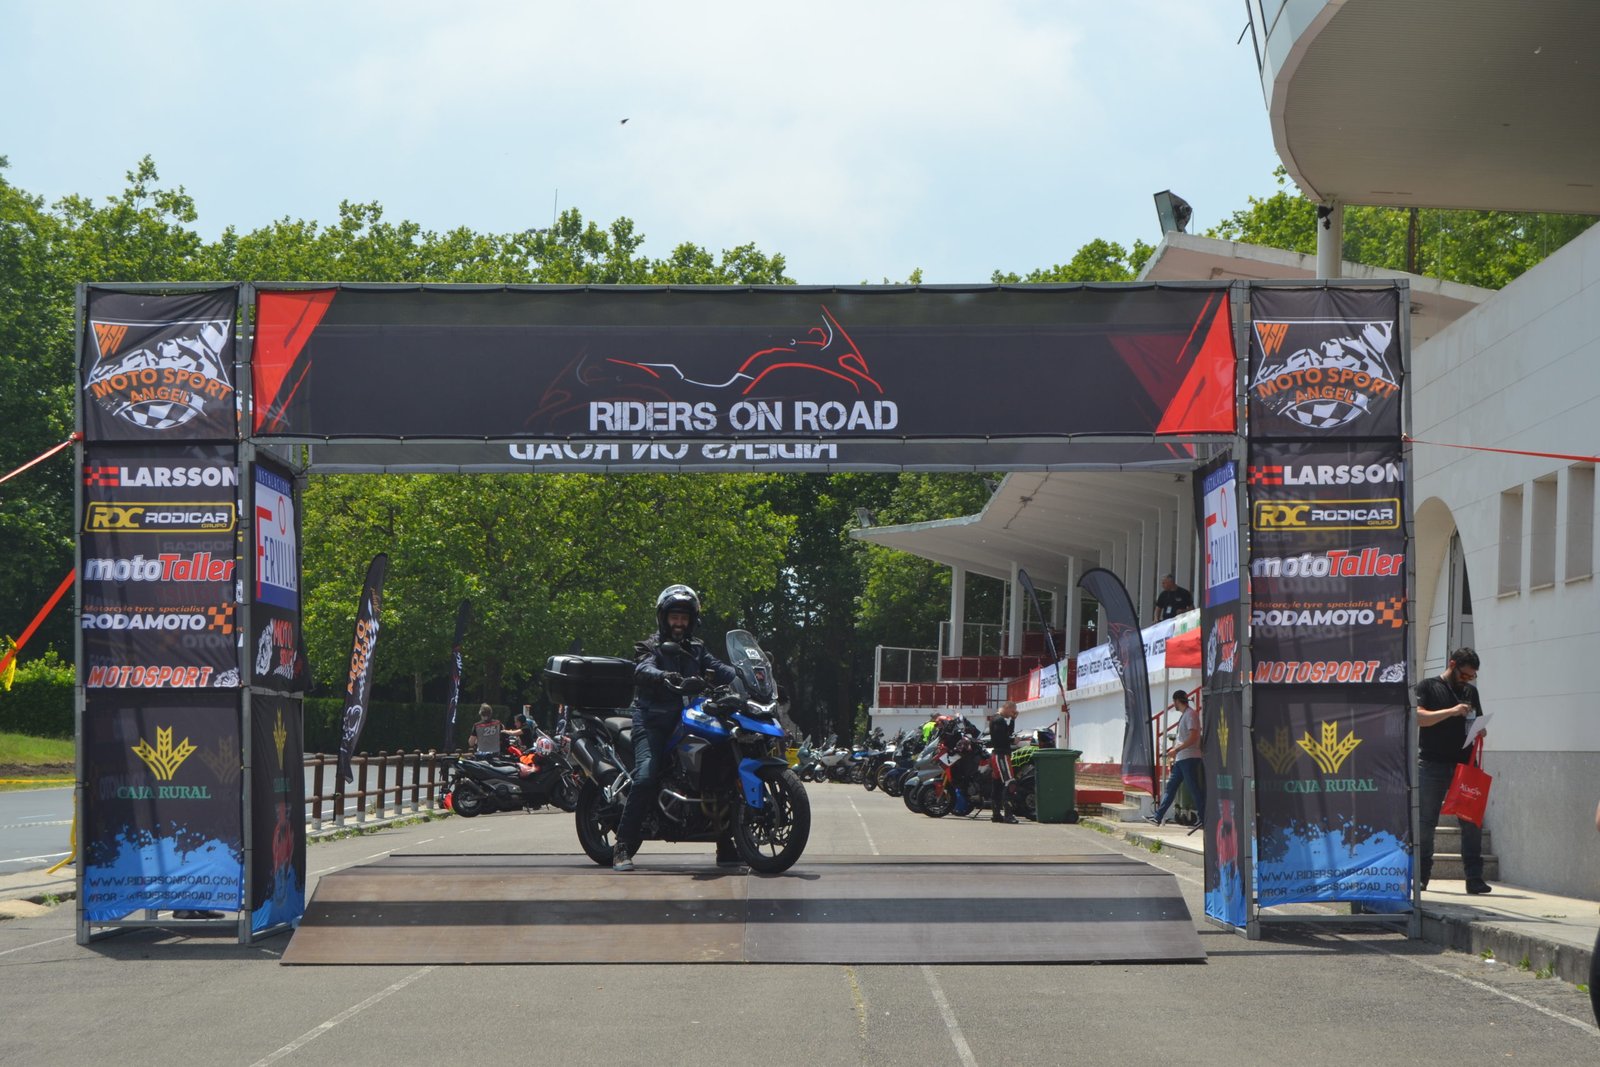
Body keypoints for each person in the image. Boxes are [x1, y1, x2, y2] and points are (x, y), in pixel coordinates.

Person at [613, 584, 737, 873]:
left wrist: (748, 677)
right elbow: (643, 668)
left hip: (690, 718)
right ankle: (623, 845)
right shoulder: (649, 646)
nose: (679, 623)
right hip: (653, 720)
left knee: (722, 770)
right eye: (674, 617)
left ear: (691, 621)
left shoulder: (698, 649)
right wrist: (663, 675)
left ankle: (727, 843)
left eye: (684, 617)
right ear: (664, 618)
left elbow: (721, 669)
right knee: (646, 775)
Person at [1415, 647, 1491, 894]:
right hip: (1432, 764)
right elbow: (1419, 718)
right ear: (1452, 664)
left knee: (1471, 822)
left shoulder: (1470, 692)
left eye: (1472, 676)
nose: (1467, 680)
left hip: (1465, 765)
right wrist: (1452, 711)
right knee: (1426, 822)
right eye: (1464, 674)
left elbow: (1475, 719)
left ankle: (1474, 878)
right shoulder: (1428, 686)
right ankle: (1422, 876)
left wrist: (1480, 730)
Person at [1145, 689, 1203, 828]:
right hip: (1181, 758)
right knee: (1170, 788)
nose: (1174, 704)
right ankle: (1158, 817)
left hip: (1188, 757)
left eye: (1174, 702)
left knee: (1194, 789)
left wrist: (1176, 749)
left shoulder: (1190, 715)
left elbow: (1193, 737)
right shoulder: (1186, 715)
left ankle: (1203, 817)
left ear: (1177, 701)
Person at [988, 701, 1019, 823]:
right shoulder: (999, 720)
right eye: (1012, 711)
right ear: (1007, 708)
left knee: (997, 784)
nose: (1012, 713)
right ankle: (1008, 815)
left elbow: (1007, 733)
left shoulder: (998, 720)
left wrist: (1013, 720)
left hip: (998, 754)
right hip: (1001, 755)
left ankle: (996, 814)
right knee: (1010, 783)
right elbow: (1001, 738)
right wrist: (1012, 741)